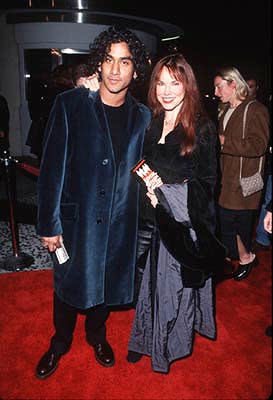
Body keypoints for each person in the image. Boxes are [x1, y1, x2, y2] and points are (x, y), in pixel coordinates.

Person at [35, 25, 151, 379]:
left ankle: (97, 337)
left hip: (119, 222)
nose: (116, 70)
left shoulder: (143, 117)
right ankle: (59, 342)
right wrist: (49, 224)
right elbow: (51, 167)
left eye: (125, 62)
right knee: (68, 284)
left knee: (104, 283)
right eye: (108, 59)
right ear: (98, 64)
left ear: (135, 69)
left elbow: (146, 165)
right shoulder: (70, 104)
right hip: (76, 221)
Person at [127, 53, 226, 374]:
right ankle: (143, 338)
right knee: (142, 281)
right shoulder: (151, 119)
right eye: (160, 82)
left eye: (175, 82)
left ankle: (165, 346)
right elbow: (138, 162)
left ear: (188, 86)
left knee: (170, 291)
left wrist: (166, 194)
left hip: (175, 223)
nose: (166, 90)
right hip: (144, 217)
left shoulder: (202, 127)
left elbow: (208, 184)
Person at [214, 67, 269, 281]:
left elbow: (258, 146)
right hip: (226, 178)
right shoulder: (224, 110)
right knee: (226, 222)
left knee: (231, 223)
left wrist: (225, 142)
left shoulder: (256, 110)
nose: (216, 92)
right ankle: (233, 259)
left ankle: (246, 257)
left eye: (219, 86)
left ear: (233, 84)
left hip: (244, 181)